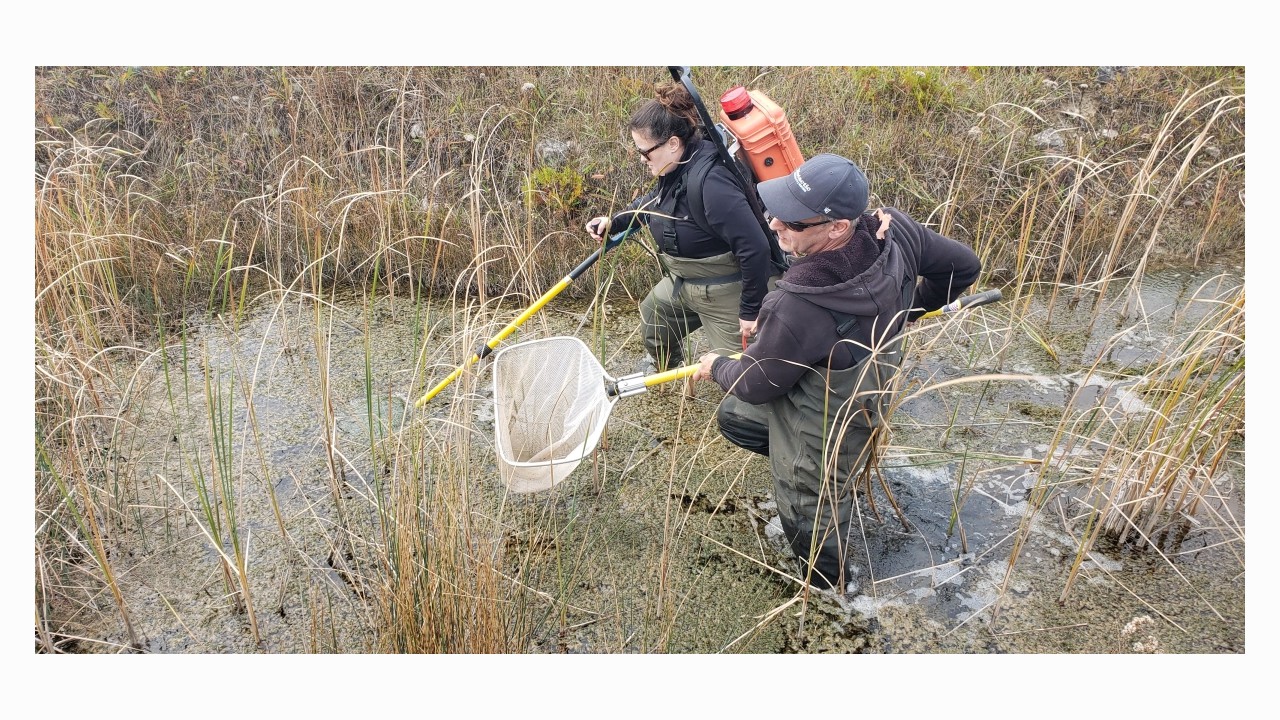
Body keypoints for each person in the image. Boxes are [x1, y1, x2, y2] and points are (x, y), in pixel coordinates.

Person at [692, 153, 982, 593]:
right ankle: (834, 480)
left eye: (792, 222)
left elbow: (754, 383)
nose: (774, 226)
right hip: (873, 393)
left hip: (828, 425)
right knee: (734, 418)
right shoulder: (893, 230)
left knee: (808, 512)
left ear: (838, 227)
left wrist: (717, 366)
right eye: (776, 212)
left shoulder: (798, 305)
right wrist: (906, 313)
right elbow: (964, 268)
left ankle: (836, 591)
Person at [586, 82, 780, 372]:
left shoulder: (713, 184)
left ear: (673, 143)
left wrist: (750, 310)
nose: (641, 159)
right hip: (684, 283)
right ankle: (664, 367)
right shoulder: (678, 164)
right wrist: (615, 221)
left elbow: (755, 248)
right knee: (654, 312)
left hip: (728, 291)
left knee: (744, 379)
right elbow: (657, 199)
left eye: (645, 152)